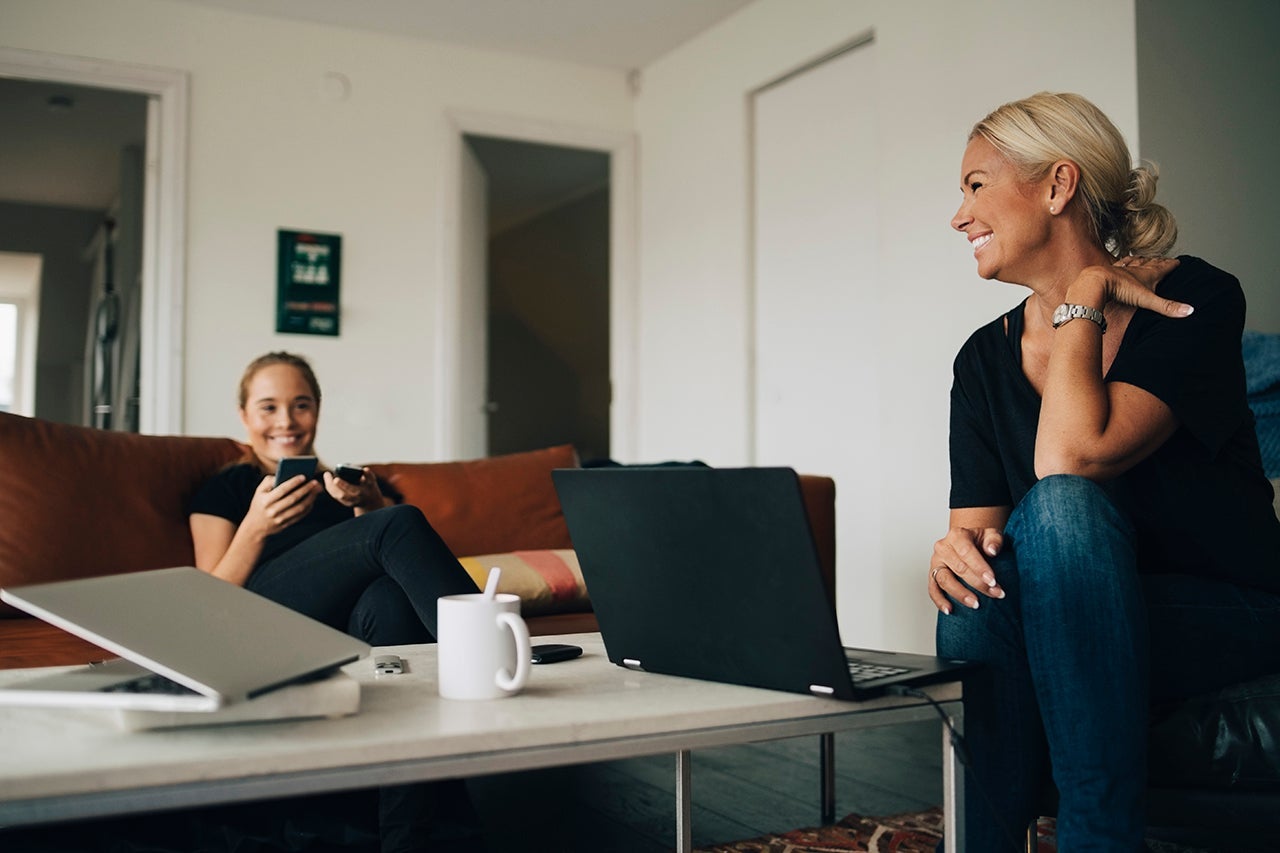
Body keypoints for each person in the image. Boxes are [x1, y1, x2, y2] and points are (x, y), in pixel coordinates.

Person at [931, 92, 1280, 852]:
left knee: (1063, 507)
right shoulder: (981, 360)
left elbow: (1072, 457)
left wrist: (1083, 296)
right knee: (977, 602)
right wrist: (953, 553)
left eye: (975, 186)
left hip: (1233, 613)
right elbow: (980, 542)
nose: (959, 216)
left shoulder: (1193, 298)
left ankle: (1095, 838)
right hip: (1073, 614)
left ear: (1057, 186)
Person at [189, 350, 483, 853]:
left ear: (318, 411)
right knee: (399, 522)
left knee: (391, 602)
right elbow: (208, 604)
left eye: (300, 405)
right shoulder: (228, 487)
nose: (286, 421)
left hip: (345, 629)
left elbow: (395, 578)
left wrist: (366, 505)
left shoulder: (344, 484)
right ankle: (487, 652)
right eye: (268, 407)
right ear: (244, 416)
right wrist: (256, 528)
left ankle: (407, 835)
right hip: (259, 616)